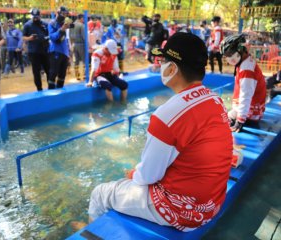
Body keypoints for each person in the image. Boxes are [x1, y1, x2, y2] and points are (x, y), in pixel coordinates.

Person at [88, 33, 233, 231]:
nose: (160, 65)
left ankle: (94, 232)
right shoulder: (214, 100)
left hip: (180, 212)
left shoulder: (167, 115)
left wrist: (134, 174)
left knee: (100, 193)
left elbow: (148, 176)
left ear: (173, 68)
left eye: (164, 61)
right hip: (212, 204)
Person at [220, 33, 266, 132]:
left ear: (240, 50)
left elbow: (246, 95)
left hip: (249, 114)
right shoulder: (245, 62)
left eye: (229, 54)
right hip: (250, 111)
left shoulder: (246, 69)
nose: (228, 58)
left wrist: (240, 120)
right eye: (226, 55)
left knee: (218, 123)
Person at [23, 8, 50, 91]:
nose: (35, 18)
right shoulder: (27, 25)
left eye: (37, 17)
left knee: (48, 70)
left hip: (45, 50)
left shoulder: (45, 24)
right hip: (33, 52)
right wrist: (29, 38)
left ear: (40, 16)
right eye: (34, 17)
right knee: (36, 71)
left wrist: (46, 38)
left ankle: (51, 86)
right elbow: (23, 37)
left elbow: (50, 35)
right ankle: (39, 88)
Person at [48, 6, 71, 89]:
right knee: (53, 73)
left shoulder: (65, 23)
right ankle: (51, 92)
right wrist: (61, 29)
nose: (65, 16)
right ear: (58, 13)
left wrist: (68, 53)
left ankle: (60, 91)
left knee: (62, 75)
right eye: (63, 14)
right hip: (55, 51)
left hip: (64, 53)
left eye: (66, 14)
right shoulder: (52, 23)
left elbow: (66, 39)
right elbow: (53, 37)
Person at [69, 14, 85, 81]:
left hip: (74, 44)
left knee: (76, 61)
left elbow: (70, 35)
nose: (83, 20)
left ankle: (77, 75)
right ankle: (84, 75)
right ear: (81, 18)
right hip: (81, 44)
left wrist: (72, 45)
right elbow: (84, 37)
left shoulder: (72, 24)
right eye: (83, 18)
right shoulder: (81, 25)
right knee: (84, 60)